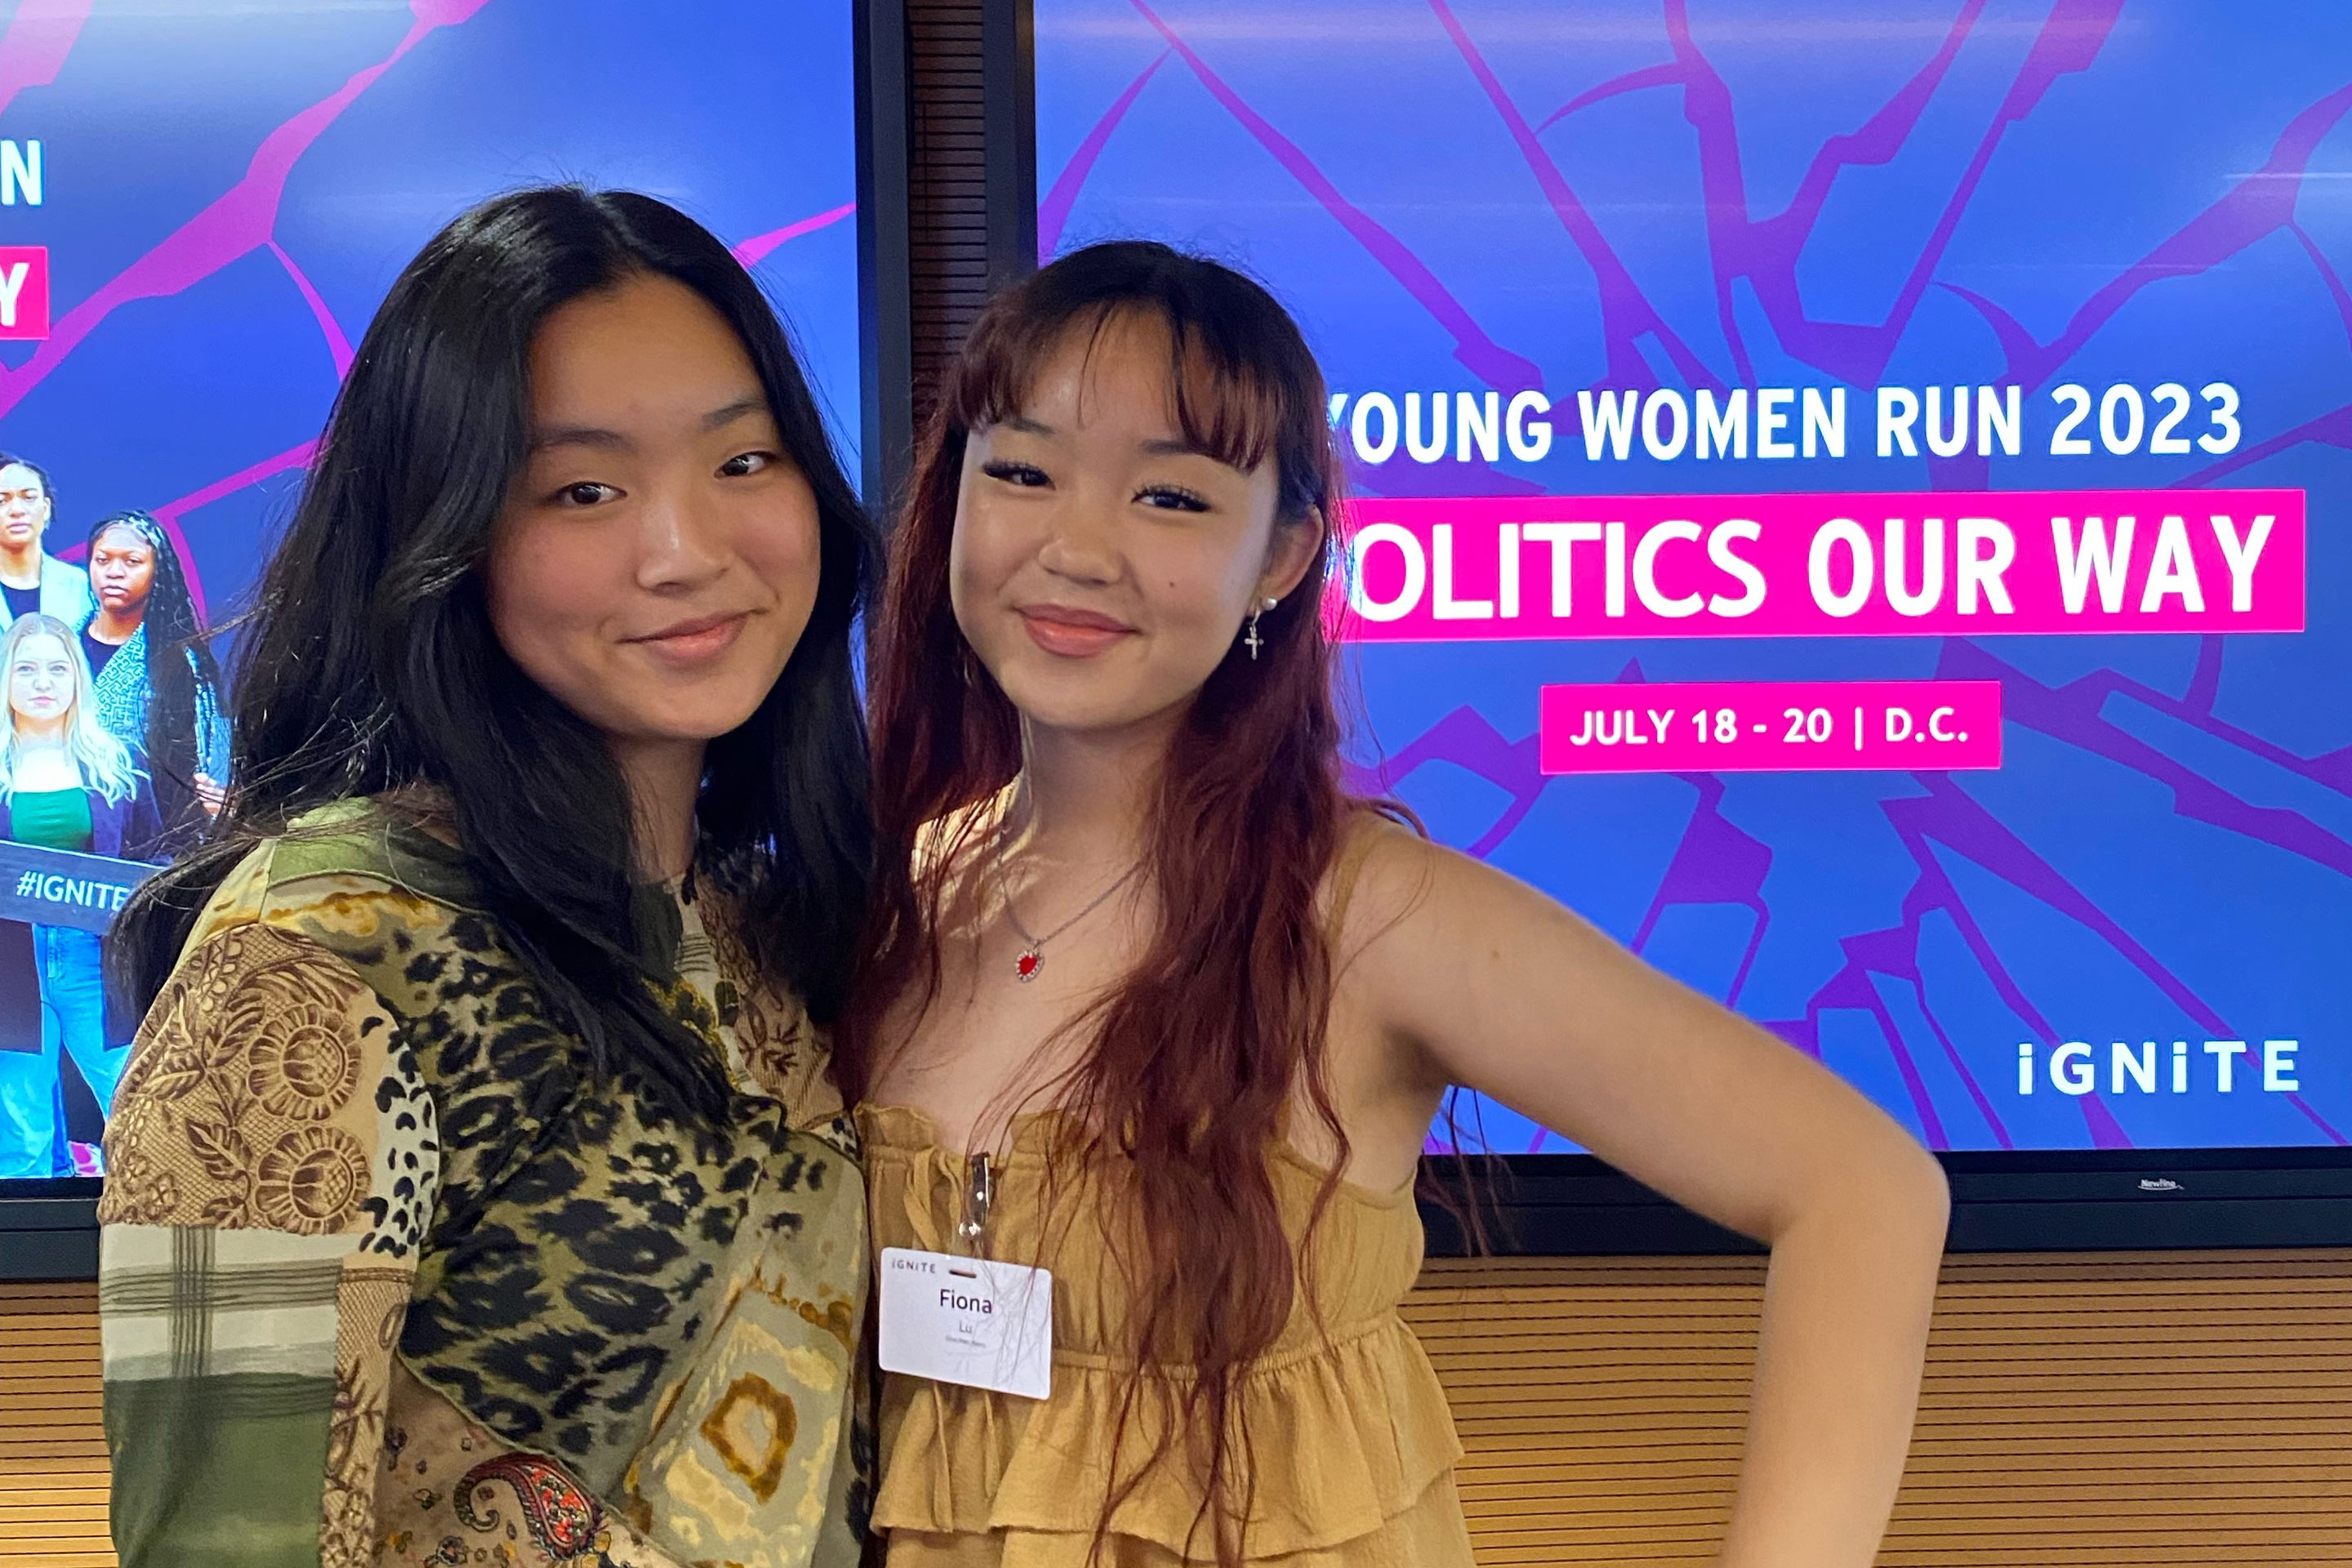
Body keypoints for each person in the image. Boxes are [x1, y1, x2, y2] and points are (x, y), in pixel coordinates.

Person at [847, 241, 1952, 1568]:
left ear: (1283, 556)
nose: (1077, 548)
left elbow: (1863, 1190)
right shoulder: (902, 896)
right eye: (1021, 471)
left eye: (1172, 498)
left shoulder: (1365, 917)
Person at [97, 187, 880, 1568]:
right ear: (442, 536)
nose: (685, 550)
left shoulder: (768, 932)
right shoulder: (313, 962)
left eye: (743, 463)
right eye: (584, 489)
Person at [0, 613, 160, 1178]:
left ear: (76, 680)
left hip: (96, 959)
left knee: (137, 1111)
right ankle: (24, 1265)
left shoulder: (117, 765)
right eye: (26, 669)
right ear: (6, 680)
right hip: (11, 968)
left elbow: (155, 861)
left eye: (57, 668)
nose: (42, 682)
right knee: (21, 1139)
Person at [81, 510, 231, 851]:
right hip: (70, 825)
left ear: (157, 571)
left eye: (132, 561)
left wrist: (218, 802)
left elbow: (213, 757)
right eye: (102, 560)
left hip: (156, 836)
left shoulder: (184, 661)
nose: (114, 572)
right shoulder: (61, 647)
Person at [0, 453, 96, 633]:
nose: (17, 510)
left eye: (28, 497)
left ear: (46, 509)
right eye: (2, 501)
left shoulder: (82, 586)